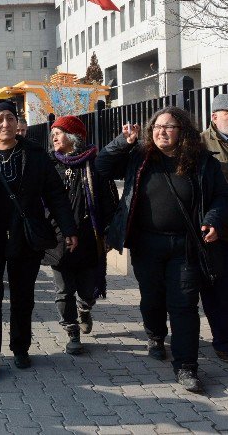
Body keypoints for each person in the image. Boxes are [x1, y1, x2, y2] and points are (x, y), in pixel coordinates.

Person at [95, 106, 228, 392]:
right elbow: (102, 167)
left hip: (187, 245)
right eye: (156, 127)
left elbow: (221, 196)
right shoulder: (140, 157)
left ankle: (187, 367)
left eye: (168, 127)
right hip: (147, 244)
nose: (161, 132)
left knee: (184, 305)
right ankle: (155, 335)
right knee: (152, 298)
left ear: (184, 132)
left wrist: (214, 220)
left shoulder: (202, 162)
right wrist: (123, 142)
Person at [0, 99, 77, 381]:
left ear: (17, 121)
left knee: (23, 296)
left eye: (10, 118)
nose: (6, 124)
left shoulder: (35, 155)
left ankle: (20, 347)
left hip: (24, 237)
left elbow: (56, 194)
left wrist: (69, 229)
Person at [47, 116, 118, 355]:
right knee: (64, 290)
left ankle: (84, 308)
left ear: (74, 137)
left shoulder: (94, 166)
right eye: (53, 133)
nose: (54, 137)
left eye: (59, 132)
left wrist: (108, 233)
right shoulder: (51, 166)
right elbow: (42, 202)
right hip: (58, 240)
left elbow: (109, 202)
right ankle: (71, 330)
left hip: (89, 239)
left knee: (88, 289)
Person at [199, 94, 228, 362]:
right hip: (216, 229)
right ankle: (222, 340)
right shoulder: (201, 144)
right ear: (215, 117)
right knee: (217, 288)